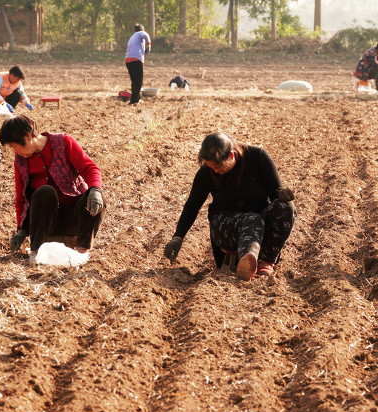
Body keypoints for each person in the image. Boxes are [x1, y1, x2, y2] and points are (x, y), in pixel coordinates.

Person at [163, 132, 296, 280]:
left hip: (260, 222)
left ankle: (265, 262)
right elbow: (192, 206)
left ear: (231, 156)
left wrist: (283, 196)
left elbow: (276, 194)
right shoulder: (206, 172)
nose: (215, 171)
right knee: (253, 220)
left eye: (218, 166)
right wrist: (178, 236)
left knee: (285, 208)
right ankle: (248, 262)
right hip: (225, 224)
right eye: (211, 167)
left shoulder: (258, 158)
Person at [0, 115, 104, 263]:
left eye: (15, 146)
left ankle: (80, 251)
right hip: (47, 224)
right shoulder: (21, 161)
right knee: (44, 191)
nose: (15, 151)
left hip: (73, 218)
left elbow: (89, 168)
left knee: (93, 196)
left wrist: (95, 190)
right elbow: (21, 198)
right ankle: (37, 252)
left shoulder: (63, 142)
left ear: (28, 136)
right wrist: (21, 230)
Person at [124, 24, 151, 105]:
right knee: (139, 82)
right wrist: (148, 45)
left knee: (134, 81)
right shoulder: (140, 33)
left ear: (134, 31)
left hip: (128, 60)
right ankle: (134, 101)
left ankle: (137, 98)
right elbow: (145, 34)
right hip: (136, 59)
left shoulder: (131, 37)